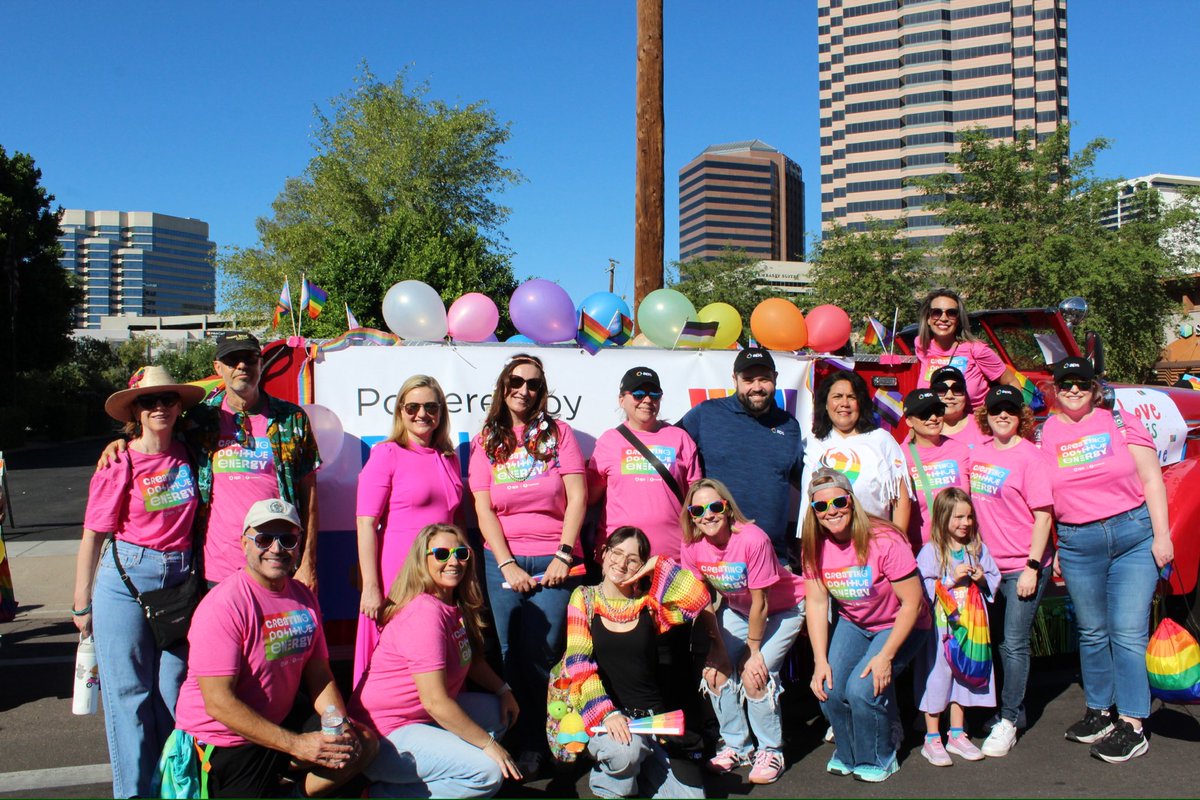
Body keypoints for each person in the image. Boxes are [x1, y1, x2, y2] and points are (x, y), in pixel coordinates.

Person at [173, 499, 376, 797]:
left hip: (280, 721)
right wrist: (298, 746)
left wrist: (339, 723)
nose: (276, 548)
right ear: (244, 543)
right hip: (226, 739)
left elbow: (319, 673)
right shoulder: (224, 605)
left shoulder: (303, 597)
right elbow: (218, 703)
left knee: (361, 744)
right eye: (264, 539)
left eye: (287, 539)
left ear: (298, 545)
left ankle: (292, 792)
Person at [99, 331, 323, 588]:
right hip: (216, 568)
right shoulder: (200, 418)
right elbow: (156, 441)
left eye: (249, 358)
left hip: (277, 561)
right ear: (218, 367)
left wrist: (308, 562)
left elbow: (310, 495)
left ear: (260, 363)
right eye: (232, 360)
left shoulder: (291, 419)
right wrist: (122, 445)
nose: (242, 366)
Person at [73, 366, 205, 798]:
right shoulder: (119, 461)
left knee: (172, 690)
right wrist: (81, 605)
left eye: (168, 399)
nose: (160, 407)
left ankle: (171, 787)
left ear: (179, 407)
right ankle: (132, 793)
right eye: (149, 401)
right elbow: (93, 535)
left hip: (179, 581)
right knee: (129, 695)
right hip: (127, 579)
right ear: (135, 412)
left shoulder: (191, 453)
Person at [1038, 357, 1172, 763]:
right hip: (1078, 543)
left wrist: (1162, 536)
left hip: (1133, 536)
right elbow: (1045, 496)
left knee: (1127, 632)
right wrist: (1056, 546)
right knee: (1092, 632)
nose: (1073, 390)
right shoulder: (1046, 433)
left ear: (1094, 387)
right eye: (1065, 384)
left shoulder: (1120, 421)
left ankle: (1132, 723)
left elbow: (1152, 479)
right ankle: (1099, 711)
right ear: (1055, 390)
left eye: (1081, 383)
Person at [469, 353, 587, 776]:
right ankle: (506, 739)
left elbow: (578, 496)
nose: (524, 390)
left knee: (544, 652)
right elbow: (483, 508)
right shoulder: (487, 439)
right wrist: (506, 565)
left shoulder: (559, 433)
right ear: (503, 386)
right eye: (516, 381)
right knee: (503, 653)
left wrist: (563, 554)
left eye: (533, 384)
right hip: (502, 561)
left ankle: (537, 741)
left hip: (556, 562)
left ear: (542, 391)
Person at [352, 524, 520, 798]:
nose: (453, 561)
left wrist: (503, 691)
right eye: (442, 554)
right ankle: (379, 794)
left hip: (420, 718)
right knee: (487, 773)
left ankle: (436, 773)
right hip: (386, 734)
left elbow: (470, 660)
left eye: (461, 553)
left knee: (498, 714)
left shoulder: (451, 606)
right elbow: (435, 702)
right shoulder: (425, 614)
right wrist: (489, 746)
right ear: (423, 560)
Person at [562, 527, 709, 799]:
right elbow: (579, 663)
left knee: (691, 797)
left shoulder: (649, 604)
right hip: (607, 717)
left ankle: (637, 772)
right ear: (604, 554)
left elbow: (697, 600)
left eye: (632, 560)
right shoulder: (584, 597)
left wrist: (659, 564)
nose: (621, 563)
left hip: (651, 720)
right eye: (616, 553)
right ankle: (613, 787)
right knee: (625, 752)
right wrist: (608, 713)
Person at [802, 468, 928, 783]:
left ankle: (879, 756)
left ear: (851, 500)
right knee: (829, 687)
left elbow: (912, 604)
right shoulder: (815, 546)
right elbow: (816, 604)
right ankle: (848, 753)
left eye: (839, 502)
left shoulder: (884, 539)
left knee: (862, 689)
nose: (831, 511)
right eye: (821, 506)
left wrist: (885, 656)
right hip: (855, 622)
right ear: (814, 512)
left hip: (900, 622)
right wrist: (820, 661)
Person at [679, 479, 806, 785]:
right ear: (691, 516)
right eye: (698, 510)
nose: (707, 515)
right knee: (714, 672)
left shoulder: (752, 539)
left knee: (754, 674)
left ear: (727, 508)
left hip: (784, 609)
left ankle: (771, 750)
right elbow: (701, 600)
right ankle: (737, 745)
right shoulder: (692, 545)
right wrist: (716, 647)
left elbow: (762, 602)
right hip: (738, 610)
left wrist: (753, 649)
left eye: (714, 506)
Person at [353, 375, 462, 687]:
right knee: (398, 656)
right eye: (412, 407)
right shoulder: (387, 453)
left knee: (438, 655)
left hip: (442, 572)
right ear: (400, 410)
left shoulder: (448, 458)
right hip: (400, 576)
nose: (421, 414)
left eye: (431, 407)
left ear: (441, 412)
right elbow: (365, 523)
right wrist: (370, 587)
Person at [970, 386, 1054, 757]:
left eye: (1010, 410)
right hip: (989, 569)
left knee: (1013, 642)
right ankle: (1012, 710)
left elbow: (1044, 516)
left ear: (1021, 416)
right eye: (996, 410)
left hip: (1024, 565)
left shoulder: (1030, 457)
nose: (1002, 415)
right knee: (995, 641)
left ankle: (1007, 720)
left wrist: (1032, 567)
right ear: (985, 416)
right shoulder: (978, 453)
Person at [679, 347, 804, 563]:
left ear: (775, 378)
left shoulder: (789, 425)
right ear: (734, 380)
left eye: (764, 379)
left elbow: (802, 478)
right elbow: (670, 448)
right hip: (717, 558)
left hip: (773, 557)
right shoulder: (706, 414)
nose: (757, 387)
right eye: (748, 380)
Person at [915, 489, 1000, 767]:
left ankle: (956, 733)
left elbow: (993, 578)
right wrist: (950, 579)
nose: (966, 523)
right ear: (942, 518)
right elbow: (923, 587)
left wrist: (981, 578)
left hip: (970, 627)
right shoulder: (931, 551)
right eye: (959, 517)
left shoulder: (976, 549)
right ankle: (932, 737)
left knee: (963, 676)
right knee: (938, 677)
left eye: (969, 517)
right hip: (942, 629)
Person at [588, 367, 700, 561]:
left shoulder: (680, 438)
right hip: (620, 560)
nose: (647, 400)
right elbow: (589, 498)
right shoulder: (609, 441)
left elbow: (697, 499)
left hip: (673, 558)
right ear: (621, 400)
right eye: (638, 394)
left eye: (654, 394)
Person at [798, 370, 910, 529]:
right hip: (821, 539)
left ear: (860, 403)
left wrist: (899, 538)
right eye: (837, 396)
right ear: (826, 404)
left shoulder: (882, 440)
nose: (844, 403)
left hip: (873, 537)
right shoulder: (811, 442)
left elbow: (901, 498)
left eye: (851, 397)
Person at [914, 288, 1020, 401]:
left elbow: (1011, 382)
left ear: (958, 320)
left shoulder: (976, 349)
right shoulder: (921, 345)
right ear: (928, 318)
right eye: (936, 312)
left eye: (951, 313)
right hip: (934, 413)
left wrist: (1012, 408)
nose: (943, 318)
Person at [901, 388, 972, 549]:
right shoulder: (900, 456)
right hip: (921, 551)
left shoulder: (961, 451)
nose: (933, 418)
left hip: (960, 548)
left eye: (938, 411)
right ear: (909, 421)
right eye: (924, 413)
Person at [929, 365, 990, 451]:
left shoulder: (984, 424)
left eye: (957, 389)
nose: (949, 396)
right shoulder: (922, 429)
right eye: (941, 389)